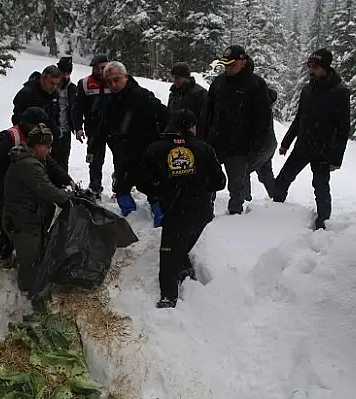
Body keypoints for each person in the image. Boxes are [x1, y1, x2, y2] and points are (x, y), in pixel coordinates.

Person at [142, 109, 227, 308]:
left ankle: (168, 296)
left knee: (169, 253)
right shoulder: (204, 149)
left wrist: (162, 189)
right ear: (192, 127)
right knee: (187, 240)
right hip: (200, 209)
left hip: (173, 209)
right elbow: (220, 182)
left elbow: (143, 181)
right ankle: (182, 270)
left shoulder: (156, 149)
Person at [0, 107, 73, 261]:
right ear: (29, 124)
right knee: (8, 220)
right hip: (3, 186)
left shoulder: (36, 141)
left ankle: (27, 247)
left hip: (24, 187)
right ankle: (6, 252)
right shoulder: (9, 136)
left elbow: (51, 164)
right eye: (38, 125)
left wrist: (68, 181)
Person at [273, 48, 351, 230]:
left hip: (324, 150)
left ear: (325, 67)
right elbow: (300, 118)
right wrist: (286, 142)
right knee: (283, 179)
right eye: (309, 66)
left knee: (320, 187)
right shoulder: (308, 89)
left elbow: (343, 128)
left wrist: (337, 158)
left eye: (314, 67)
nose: (310, 70)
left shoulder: (340, 92)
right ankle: (274, 212)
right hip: (303, 145)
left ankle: (323, 223)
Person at [89, 61, 169, 220]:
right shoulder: (109, 100)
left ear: (126, 76)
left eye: (116, 79)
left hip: (146, 149)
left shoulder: (141, 95)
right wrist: (93, 148)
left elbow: (165, 115)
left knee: (153, 187)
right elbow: (101, 127)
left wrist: (165, 141)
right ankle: (129, 218)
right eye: (109, 81)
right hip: (122, 152)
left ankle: (161, 222)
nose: (113, 84)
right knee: (121, 187)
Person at [2, 123, 74, 295]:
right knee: (31, 263)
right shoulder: (28, 164)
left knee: (36, 254)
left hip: (26, 218)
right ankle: (29, 297)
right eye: (48, 147)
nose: (49, 150)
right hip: (24, 222)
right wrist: (65, 195)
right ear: (39, 145)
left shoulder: (31, 158)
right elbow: (46, 190)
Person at [204, 45, 276, 215]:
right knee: (209, 177)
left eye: (231, 64)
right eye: (225, 65)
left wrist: (257, 145)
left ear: (243, 62)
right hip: (216, 141)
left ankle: (235, 214)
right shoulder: (219, 82)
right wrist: (205, 136)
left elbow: (264, 119)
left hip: (240, 146)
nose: (228, 68)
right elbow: (208, 111)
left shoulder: (256, 84)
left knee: (237, 183)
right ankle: (206, 209)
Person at [72, 54, 111, 198]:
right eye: (99, 68)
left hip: (115, 129)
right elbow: (77, 108)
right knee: (94, 160)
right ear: (93, 68)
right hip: (94, 130)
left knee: (122, 159)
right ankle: (95, 187)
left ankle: (121, 188)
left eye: (104, 67)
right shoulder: (84, 83)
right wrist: (77, 128)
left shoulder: (114, 81)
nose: (102, 71)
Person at [11, 65, 62, 134]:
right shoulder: (27, 93)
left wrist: (57, 129)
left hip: (48, 138)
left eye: (57, 84)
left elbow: (55, 115)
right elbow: (17, 118)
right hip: (29, 137)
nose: (54, 87)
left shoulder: (54, 94)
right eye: (52, 83)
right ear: (42, 78)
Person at [167, 62, 207, 137]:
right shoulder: (173, 93)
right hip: (175, 137)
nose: (174, 81)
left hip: (194, 138)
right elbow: (170, 115)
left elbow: (205, 120)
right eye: (173, 77)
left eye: (177, 78)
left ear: (186, 78)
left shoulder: (200, 94)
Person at [52, 56, 77, 173]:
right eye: (63, 73)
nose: (65, 76)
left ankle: (63, 184)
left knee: (64, 158)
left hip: (66, 129)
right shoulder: (52, 86)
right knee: (51, 159)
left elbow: (76, 109)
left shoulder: (72, 88)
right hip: (52, 128)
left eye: (68, 73)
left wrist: (77, 127)